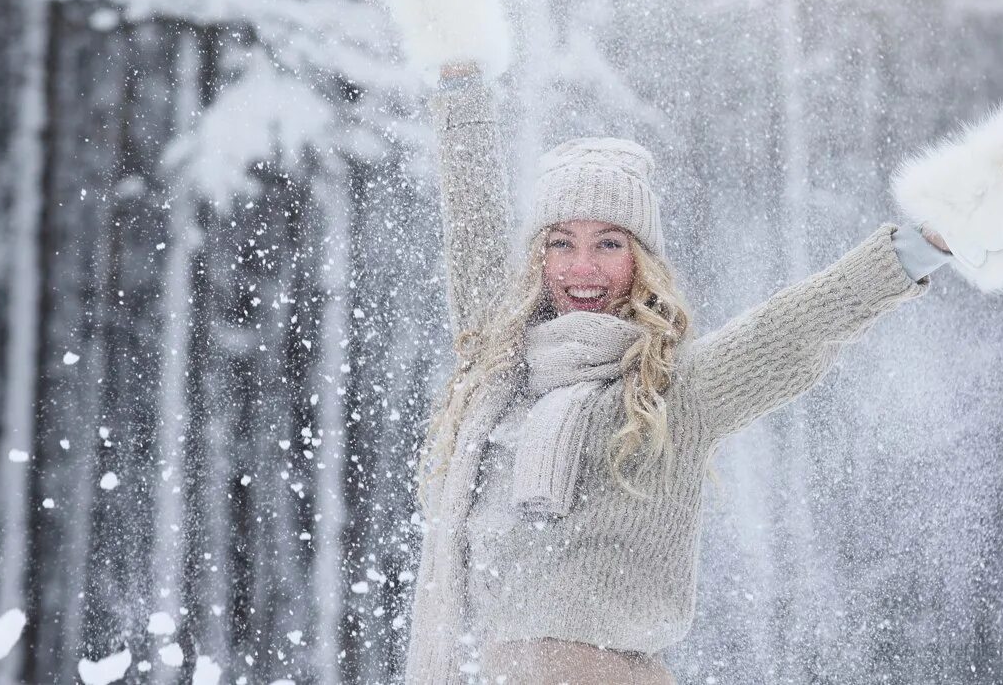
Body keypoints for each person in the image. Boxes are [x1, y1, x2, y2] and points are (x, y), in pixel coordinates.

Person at [402, 59, 956, 685]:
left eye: (609, 243)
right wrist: (457, 78)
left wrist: (919, 250)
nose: (582, 267)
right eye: (561, 242)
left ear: (641, 262)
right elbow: (471, 224)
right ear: (538, 257)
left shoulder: (673, 389)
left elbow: (796, 326)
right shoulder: (503, 368)